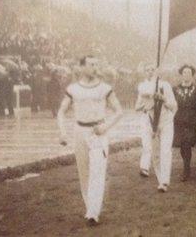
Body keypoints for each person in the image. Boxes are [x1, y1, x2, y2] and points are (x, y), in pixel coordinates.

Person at [57, 55, 124, 226]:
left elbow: (118, 111)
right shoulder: (73, 89)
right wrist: (63, 132)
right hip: (79, 131)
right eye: (91, 64)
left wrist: (105, 127)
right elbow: (61, 112)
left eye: (96, 64)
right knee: (84, 172)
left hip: (98, 132)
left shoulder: (104, 88)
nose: (94, 67)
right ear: (81, 68)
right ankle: (90, 208)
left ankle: (94, 212)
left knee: (97, 171)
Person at [135, 62, 177, 192]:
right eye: (147, 69)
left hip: (166, 121)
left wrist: (163, 98)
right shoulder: (142, 86)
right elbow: (138, 106)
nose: (150, 71)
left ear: (157, 71)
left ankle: (164, 182)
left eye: (152, 69)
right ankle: (153, 173)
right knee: (154, 151)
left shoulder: (166, 85)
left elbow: (173, 106)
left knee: (165, 150)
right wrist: (151, 100)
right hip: (151, 122)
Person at [173, 65, 196, 181]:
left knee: (187, 144)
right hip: (179, 120)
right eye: (184, 72)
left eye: (189, 73)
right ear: (181, 74)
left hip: (191, 120)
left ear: (192, 75)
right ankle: (186, 166)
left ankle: (186, 170)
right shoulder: (175, 89)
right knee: (182, 145)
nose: (186, 75)